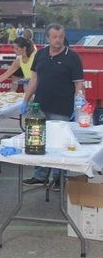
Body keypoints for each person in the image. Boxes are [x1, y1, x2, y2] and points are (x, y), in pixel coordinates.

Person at [22, 23, 84, 189]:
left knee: (58, 144)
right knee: (37, 141)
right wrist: (25, 100)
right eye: (54, 37)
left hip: (61, 109)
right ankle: (40, 175)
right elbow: (34, 79)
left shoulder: (72, 57)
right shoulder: (40, 54)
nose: (58, 40)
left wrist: (79, 107)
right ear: (48, 38)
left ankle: (58, 178)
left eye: (61, 37)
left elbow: (78, 85)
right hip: (39, 107)